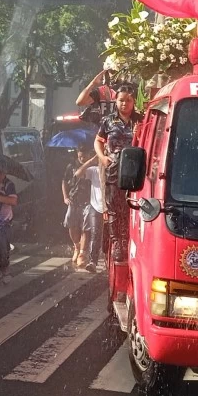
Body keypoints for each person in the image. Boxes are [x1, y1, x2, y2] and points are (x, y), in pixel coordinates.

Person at [96, 85, 142, 257]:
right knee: (114, 207)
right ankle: (117, 244)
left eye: (128, 100)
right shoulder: (108, 121)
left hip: (135, 168)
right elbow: (98, 141)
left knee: (130, 206)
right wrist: (102, 157)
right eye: (121, 100)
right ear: (116, 101)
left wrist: (139, 134)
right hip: (114, 169)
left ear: (134, 102)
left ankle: (128, 239)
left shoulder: (141, 120)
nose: (125, 104)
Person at [62, 143, 93, 266]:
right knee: (71, 223)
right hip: (74, 199)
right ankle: (76, 245)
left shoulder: (92, 165)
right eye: (80, 156)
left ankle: (82, 253)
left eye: (84, 156)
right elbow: (64, 181)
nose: (82, 159)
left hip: (88, 200)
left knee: (86, 227)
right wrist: (65, 197)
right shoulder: (72, 166)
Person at [79, 152, 105, 273]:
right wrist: (91, 160)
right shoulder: (94, 171)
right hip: (96, 206)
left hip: (110, 207)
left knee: (110, 235)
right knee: (95, 233)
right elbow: (78, 174)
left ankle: (108, 258)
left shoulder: (113, 171)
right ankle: (92, 261)